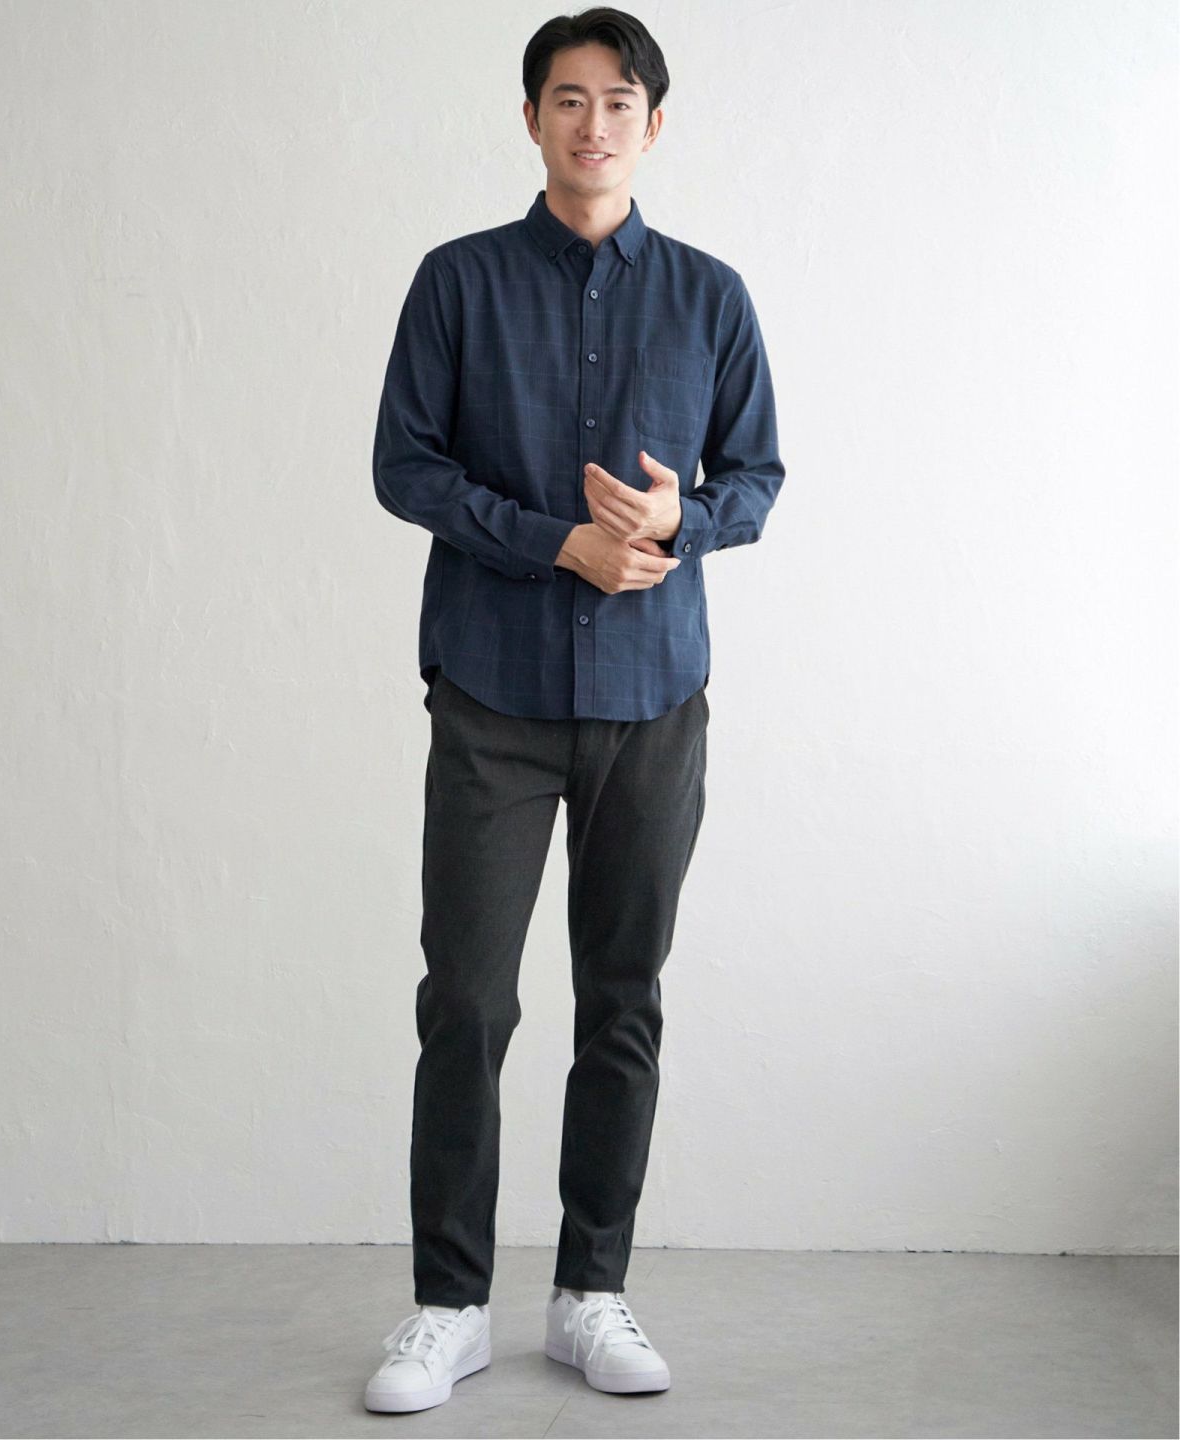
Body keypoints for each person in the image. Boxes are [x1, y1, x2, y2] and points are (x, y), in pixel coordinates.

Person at [364, 4, 785, 1414]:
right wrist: (560, 543)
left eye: (617, 101)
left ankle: (589, 1292)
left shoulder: (713, 297)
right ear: (532, 117)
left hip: (653, 700)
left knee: (622, 997)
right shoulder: (457, 283)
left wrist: (682, 521)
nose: (592, 123)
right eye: (566, 97)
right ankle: (448, 1306)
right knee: (467, 1000)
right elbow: (406, 467)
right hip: (493, 691)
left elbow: (757, 477)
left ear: (653, 124)